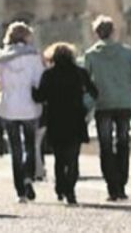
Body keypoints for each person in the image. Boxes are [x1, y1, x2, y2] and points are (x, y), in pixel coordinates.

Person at [84, 15, 131, 201]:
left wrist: (85, 109)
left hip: (103, 104)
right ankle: (121, 183)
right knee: (123, 143)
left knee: (105, 146)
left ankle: (111, 186)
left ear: (96, 33)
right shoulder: (127, 53)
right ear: (113, 31)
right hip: (123, 104)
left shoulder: (91, 55)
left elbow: (86, 84)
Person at [33, 42, 99, 205]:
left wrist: (32, 90)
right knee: (73, 157)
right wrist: (85, 106)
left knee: (59, 158)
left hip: (56, 119)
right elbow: (94, 92)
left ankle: (60, 187)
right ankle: (70, 189)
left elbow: (40, 97)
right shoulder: (80, 73)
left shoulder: (49, 74)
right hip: (76, 118)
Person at [0, 21, 44, 204]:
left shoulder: (0, 58)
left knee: (15, 148)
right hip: (29, 105)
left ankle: (20, 191)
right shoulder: (34, 56)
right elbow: (39, 80)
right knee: (30, 145)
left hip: (8, 106)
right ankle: (28, 177)